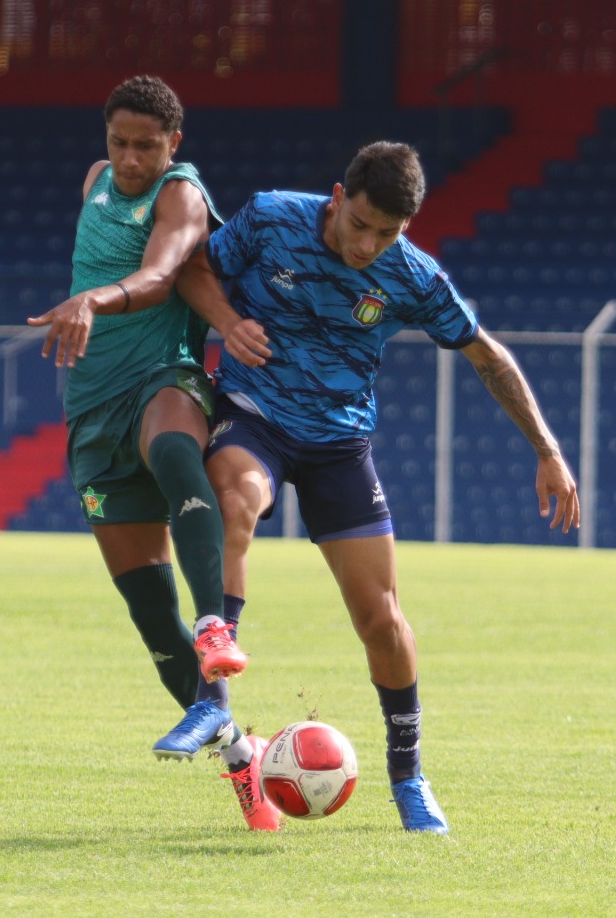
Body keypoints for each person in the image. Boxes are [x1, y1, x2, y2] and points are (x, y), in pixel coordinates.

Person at [178, 140, 580, 834]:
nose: (368, 244)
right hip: (255, 417)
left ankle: (409, 774)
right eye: (360, 224)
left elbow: (488, 356)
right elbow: (194, 269)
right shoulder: (273, 218)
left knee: (383, 620)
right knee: (235, 498)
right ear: (337, 197)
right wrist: (226, 321)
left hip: (339, 446)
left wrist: (547, 450)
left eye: (387, 234)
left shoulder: (411, 275)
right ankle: (217, 671)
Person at [24, 75, 276, 831]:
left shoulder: (183, 194)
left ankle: (215, 627)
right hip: (91, 408)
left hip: (164, 374)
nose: (130, 159)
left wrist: (94, 301)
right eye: (119, 142)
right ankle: (237, 749)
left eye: (146, 145)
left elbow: (167, 273)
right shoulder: (97, 181)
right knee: (142, 606)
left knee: (175, 450)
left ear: (175, 143)